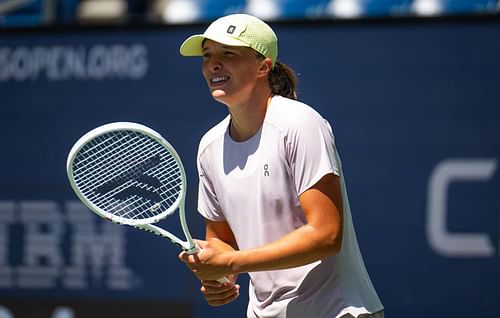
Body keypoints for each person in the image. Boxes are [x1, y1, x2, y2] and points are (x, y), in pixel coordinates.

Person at [178, 13, 384, 318]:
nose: (213, 65)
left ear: (264, 66)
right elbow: (221, 239)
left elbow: (326, 234)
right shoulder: (209, 147)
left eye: (228, 54)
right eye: (207, 55)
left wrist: (235, 263)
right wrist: (220, 277)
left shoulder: (299, 123)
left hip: (338, 312)